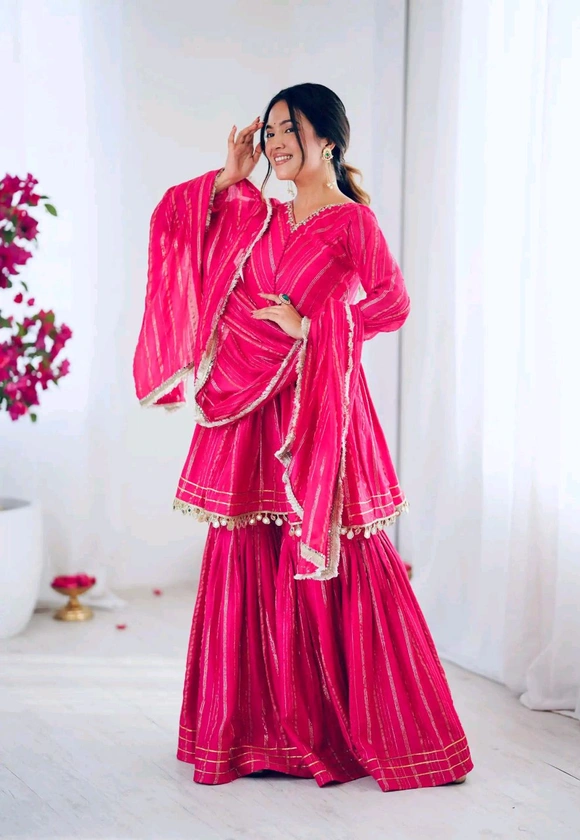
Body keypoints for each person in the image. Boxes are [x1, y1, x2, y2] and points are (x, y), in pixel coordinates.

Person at [133, 83, 473, 791]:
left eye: (289, 129)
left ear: (329, 138)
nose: (276, 143)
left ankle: (383, 737)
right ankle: (253, 739)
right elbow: (177, 231)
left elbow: (392, 304)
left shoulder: (352, 223)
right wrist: (227, 179)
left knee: (340, 559)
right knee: (248, 554)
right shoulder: (258, 214)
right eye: (270, 132)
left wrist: (311, 327)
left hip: (322, 410)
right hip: (249, 414)